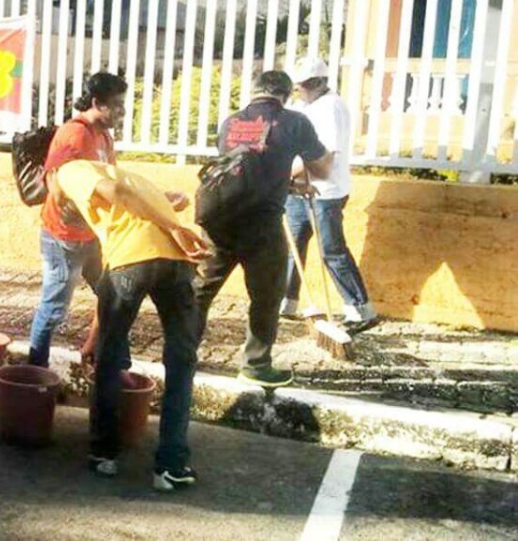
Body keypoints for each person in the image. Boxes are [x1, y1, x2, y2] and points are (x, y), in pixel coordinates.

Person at [54, 158, 211, 491]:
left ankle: (103, 453)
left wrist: (175, 228)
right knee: (182, 360)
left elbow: (118, 193)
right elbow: (155, 199)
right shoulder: (132, 177)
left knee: (110, 357)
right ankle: (171, 466)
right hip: (175, 263)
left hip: (133, 260)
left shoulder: (71, 171)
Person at [193, 71, 333, 388]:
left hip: (220, 219)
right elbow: (323, 168)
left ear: (254, 92)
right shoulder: (295, 122)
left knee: (200, 292)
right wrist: (298, 175)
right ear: (285, 95)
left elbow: (243, 169)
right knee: (267, 296)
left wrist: (286, 183)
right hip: (262, 226)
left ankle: (183, 351)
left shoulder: (230, 122)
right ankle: (255, 365)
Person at [27, 72, 122, 368]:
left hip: (90, 235)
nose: (122, 112)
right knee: (54, 308)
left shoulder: (104, 136)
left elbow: (111, 180)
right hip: (63, 237)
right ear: (97, 103)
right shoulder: (75, 134)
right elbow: (56, 183)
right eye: (117, 106)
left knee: (111, 294)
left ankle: (95, 352)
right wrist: (81, 204)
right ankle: (34, 370)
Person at [283, 57, 378, 334]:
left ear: (317, 83)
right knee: (292, 247)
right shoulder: (302, 105)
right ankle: (286, 302)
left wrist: (286, 173)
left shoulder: (331, 107)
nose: (299, 90)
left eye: (303, 85)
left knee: (331, 250)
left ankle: (360, 309)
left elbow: (324, 154)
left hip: (326, 190)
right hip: (298, 188)